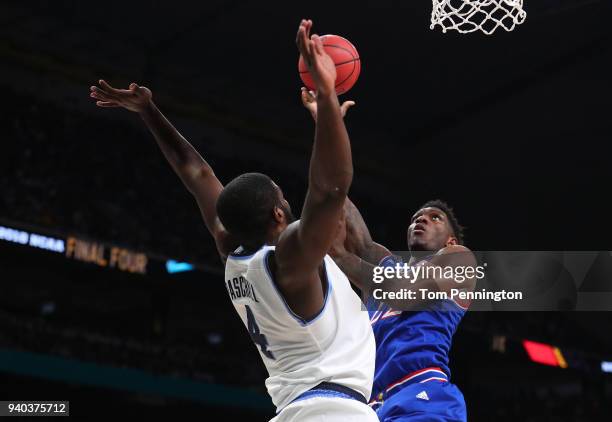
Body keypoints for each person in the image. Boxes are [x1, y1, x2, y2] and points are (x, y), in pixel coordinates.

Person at [89, 19, 377, 422]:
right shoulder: (291, 260)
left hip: (298, 410)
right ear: (279, 214)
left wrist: (148, 111)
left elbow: (198, 175)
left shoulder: (235, 253)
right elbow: (330, 189)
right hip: (333, 413)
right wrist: (327, 98)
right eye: (282, 194)